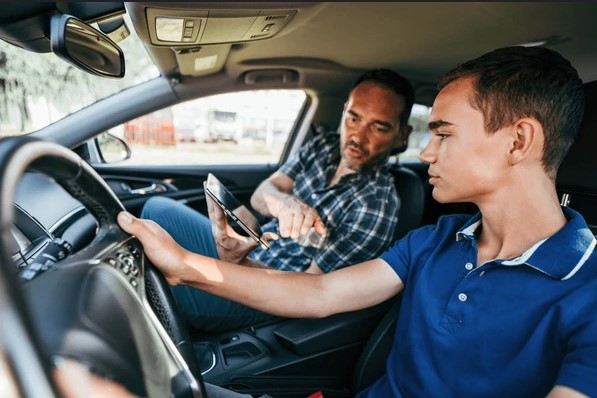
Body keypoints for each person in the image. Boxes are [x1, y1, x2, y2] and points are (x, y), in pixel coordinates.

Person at [118, 45, 597, 397]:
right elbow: (322, 294)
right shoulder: (437, 239)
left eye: (444, 134)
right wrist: (184, 264)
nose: (426, 153)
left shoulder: (589, 293)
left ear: (518, 142)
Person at [141, 69, 415, 331]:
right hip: (252, 253)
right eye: (354, 118)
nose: (358, 135)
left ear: (401, 135)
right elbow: (263, 194)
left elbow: (310, 291)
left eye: (378, 128)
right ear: (344, 110)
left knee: (151, 286)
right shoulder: (324, 146)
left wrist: (241, 266)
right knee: (157, 209)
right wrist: (284, 203)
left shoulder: (376, 205)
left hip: (269, 296)